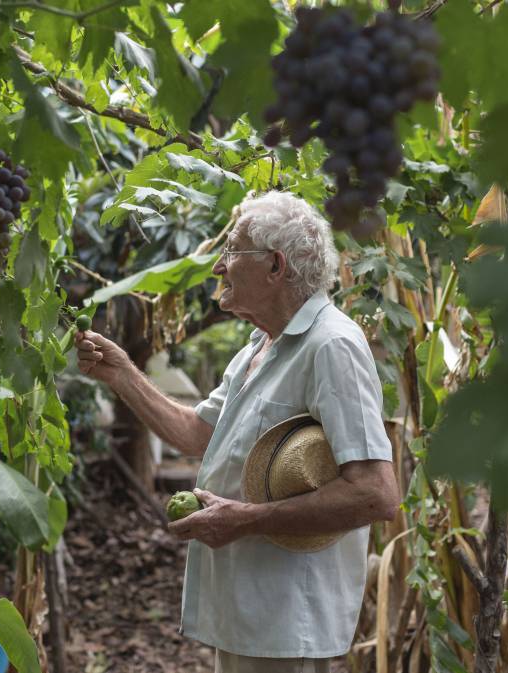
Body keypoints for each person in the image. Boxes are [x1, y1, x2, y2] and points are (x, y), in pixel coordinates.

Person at [74, 192, 399, 673]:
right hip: (249, 615)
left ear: (274, 265)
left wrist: (245, 519)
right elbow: (197, 434)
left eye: (231, 252)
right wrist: (121, 374)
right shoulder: (259, 346)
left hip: (289, 621)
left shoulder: (332, 346)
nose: (217, 268)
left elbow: (377, 494)